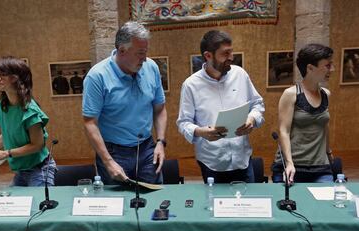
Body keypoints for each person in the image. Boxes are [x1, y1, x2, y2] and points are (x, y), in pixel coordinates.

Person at [82, 21, 167, 185]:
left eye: (146, 51)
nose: (145, 58)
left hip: (147, 147)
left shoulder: (151, 67)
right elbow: (90, 122)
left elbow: (160, 109)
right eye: (140, 53)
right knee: (118, 206)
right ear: (122, 50)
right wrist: (108, 161)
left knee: (155, 201)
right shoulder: (97, 76)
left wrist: (161, 142)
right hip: (114, 152)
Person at [176, 30, 265, 184]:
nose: (231, 57)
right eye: (225, 53)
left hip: (242, 159)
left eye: (231, 52)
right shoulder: (191, 85)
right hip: (212, 162)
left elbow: (257, 104)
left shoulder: (240, 75)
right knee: (216, 206)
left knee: (248, 205)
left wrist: (252, 119)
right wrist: (200, 132)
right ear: (208, 56)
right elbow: (183, 122)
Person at [0, 56, 56, 186]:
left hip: (39, 169)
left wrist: (6, 153)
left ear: (15, 78)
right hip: (21, 170)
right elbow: (8, 134)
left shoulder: (30, 110)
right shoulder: (2, 108)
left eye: (2, 74)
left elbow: (37, 145)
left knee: (39, 205)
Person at [271, 43, 335, 183]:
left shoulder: (326, 94)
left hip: (320, 167)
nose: (332, 69)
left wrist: (328, 152)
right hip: (292, 166)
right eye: (328, 65)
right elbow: (284, 131)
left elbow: (324, 126)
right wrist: (289, 163)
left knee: (325, 203)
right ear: (310, 68)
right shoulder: (291, 94)